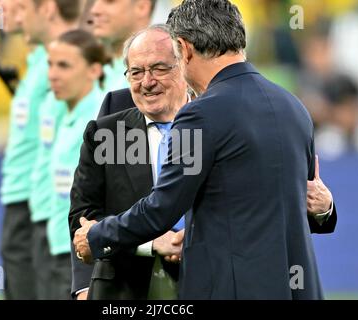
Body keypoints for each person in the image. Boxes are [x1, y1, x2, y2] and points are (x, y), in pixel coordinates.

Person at [74, 0, 336, 299]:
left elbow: (162, 208)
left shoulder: (199, 114)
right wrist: (325, 209)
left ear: (184, 49)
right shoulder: (293, 106)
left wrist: (97, 235)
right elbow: (294, 203)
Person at [69, 25, 189, 300]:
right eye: (136, 72)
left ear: (183, 65)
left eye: (159, 68)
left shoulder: (215, 125)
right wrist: (151, 243)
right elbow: (83, 219)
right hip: (121, 290)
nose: (147, 82)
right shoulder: (105, 134)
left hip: (202, 282)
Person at [47, 29, 109, 299]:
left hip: (80, 251)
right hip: (60, 244)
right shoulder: (65, 112)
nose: (53, 74)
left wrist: (85, 279)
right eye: (50, 65)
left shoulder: (101, 120)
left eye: (64, 65)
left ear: (94, 70)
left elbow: (102, 197)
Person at [0, 0, 48, 300]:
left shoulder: (55, 64)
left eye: (17, 4)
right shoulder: (37, 62)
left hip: (35, 200)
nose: (1, 7)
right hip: (21, 196)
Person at [90, 0, 156, 92]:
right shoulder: (92, 72)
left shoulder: (158, 77)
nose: (95, 10)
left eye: (109, 1)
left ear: (142, 7)